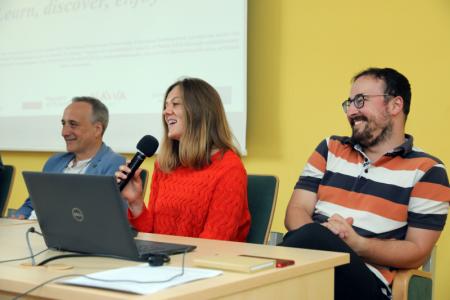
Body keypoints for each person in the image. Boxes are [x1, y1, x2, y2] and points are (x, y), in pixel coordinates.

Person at [282, 68, 450, 300]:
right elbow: (295, 212)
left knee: (307, 242)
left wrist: (356, 244)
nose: (351, 111)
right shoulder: (329, 149)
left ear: (395, 105)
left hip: (368, 284)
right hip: (309, 270)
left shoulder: (428, 170)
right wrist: (326, 241)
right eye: (349, 103)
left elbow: (417, 252)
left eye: (360, 101)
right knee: (308, 240)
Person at [116, 78, 250, 242]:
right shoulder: (164, 165)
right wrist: (135, 203)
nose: (166, 112)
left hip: (203, 264)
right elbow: (152, 235)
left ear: (199, 111)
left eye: (175, 104)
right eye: (165, 106)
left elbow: (215, 243)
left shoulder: (229, 169)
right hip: (164, 261)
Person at [14, 97, 125, 219]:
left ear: (97, 129)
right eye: (63, 124)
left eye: (73, 124)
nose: (64, 132)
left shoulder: (115, 164)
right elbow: (31, 204)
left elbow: (107, 218)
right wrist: (18, 217)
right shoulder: (54, 161)